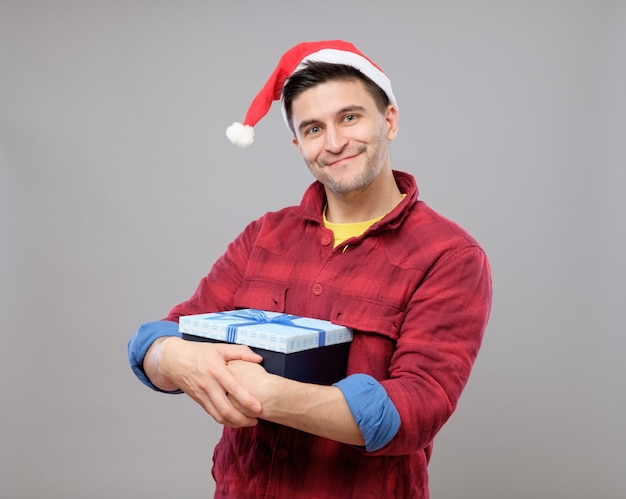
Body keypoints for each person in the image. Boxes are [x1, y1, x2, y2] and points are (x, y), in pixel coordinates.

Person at [128, 39, 492, 499]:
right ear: (298, 143)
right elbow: (157, 339)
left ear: (389, 120)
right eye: (314, 128)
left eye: (350, 117)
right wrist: (177, 357)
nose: (335, 142)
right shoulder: (264, 236)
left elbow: (417, 408)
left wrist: (265, 395)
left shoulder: (449, 256)